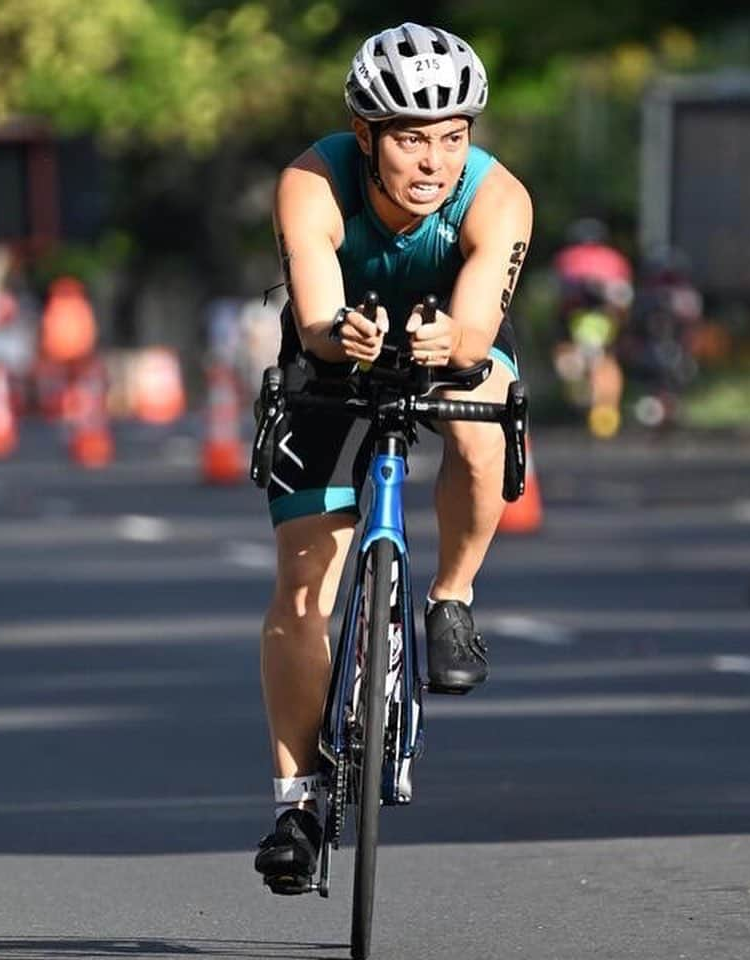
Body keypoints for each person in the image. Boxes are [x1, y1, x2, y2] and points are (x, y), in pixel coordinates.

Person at [254, 22, 533, 890]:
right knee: (305, 584)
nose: (434, 163)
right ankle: (297, 803)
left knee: (484, 415)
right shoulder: (311, 180)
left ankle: (451, 595)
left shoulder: (499, 199)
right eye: (412, 138)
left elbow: (480, 326)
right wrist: (344, 336)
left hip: (452, 345)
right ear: (366, 134)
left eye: (453, 138)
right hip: (339, 349)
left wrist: (454, 338)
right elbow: (313, 315)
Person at [551, 218, 633, 437]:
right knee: (606, 362)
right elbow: (624, 299)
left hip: (576, 322)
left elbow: (559, 295)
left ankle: (584, 397)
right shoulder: (616, 260)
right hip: (605, 322)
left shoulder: (567, 258)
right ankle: (606, 411)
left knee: (572, 360)